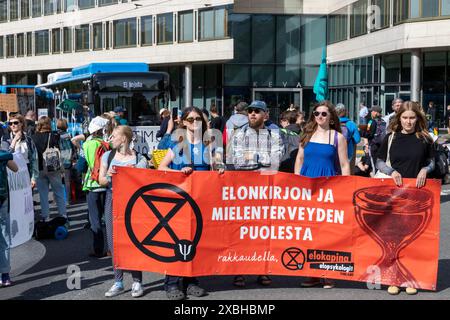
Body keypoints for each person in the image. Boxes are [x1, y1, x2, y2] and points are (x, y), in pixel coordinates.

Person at [158, 106, 224, 300]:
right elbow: (161, 167)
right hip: (179, 200)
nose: (194, 122)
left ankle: (191, 281)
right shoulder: (177, 142)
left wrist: (220, 168)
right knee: (176, 241)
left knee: (196, 240)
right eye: (190, 119)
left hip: (201, 199)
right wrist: (179, 172)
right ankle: (171, 283)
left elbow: (218, 162)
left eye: (198, 119)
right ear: (183, 122)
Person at [375, 101, 435, 296]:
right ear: (398, 118)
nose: (408, 122)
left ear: (417, 119)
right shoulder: (390, 137)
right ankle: (394, 278)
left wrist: (425, 170)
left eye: (412, 118)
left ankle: (411, 278)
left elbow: (431, 162)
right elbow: (379, 161)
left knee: (413, 240)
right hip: (393, 193)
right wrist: (391, 171)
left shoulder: (425, 138)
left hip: (417, 195)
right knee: (393, 237)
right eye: (405, 118)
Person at [294, 100, 350, 289]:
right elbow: (299, 160)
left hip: (328, 190)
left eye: (324, 114)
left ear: (331, 117)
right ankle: (313, 274)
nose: (319, 117)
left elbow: (344, 165)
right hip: (306, 189)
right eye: (317, 113)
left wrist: (346, 187)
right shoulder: (307, 135)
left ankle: (328, 272)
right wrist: (295, 183)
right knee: (309, 232)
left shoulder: (337, 137)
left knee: (327, 232)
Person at [229, 100, 284, 287]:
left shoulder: (274, 134)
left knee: (264, 232)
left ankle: (262, 270)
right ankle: (240, 271)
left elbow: (276, 161)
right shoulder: (239, 134)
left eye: (257, 111)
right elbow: (237, 162)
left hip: (267, 189)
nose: (252, 114)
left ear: (265, 114)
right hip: (244, 190)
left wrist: (251, 157)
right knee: (242, 231)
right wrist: (261, 160)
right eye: (250, 111)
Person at [99, 125, 149, 298]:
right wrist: (111, 175)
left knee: (135, 241)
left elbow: (145, 180)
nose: (110, 139)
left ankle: (137, 282)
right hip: (112, 199)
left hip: (133, 203)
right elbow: (101, 180)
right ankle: (118, 281)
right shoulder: (108, 155)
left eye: (113, 136)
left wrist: (132, 173)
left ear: (124, 138)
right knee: (114, 242)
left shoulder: (140, 158)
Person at [83, 116, 110, 258]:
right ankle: (112, 248)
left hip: (93, 184)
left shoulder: (87, 144)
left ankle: (98, 249)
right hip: (107, 184)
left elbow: (82, 164)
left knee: (95, 220)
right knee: (110, 218)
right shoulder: (107, 144)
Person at [32, 116, 67, 222]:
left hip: (39, 168)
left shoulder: (33, 137)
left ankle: (46, 217)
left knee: (43, 194)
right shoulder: (55, 136)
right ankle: (63, 215)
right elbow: (61, 150)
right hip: (53, 167)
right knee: (58, 191)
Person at [1, 114, 39, 188]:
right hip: (11, 172)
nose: (13, 125)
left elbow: (34, 159)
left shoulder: (28, 139)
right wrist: (14, 141)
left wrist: (34, 178)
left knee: (26, 197)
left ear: (21, 124)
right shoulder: (5, 139)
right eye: (10, 123)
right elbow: (6, 156)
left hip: (26, 170)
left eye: (15, 122)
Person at [0, 150, 18, 287]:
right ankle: (5, 276)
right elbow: (15, 168)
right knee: (4, 237)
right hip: (2, 197)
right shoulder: (3, 155)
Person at [335, 103, 361, 174]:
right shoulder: (351, 124)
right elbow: (357, 140)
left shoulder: (332, 123)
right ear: (345, 112)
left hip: (333, 152)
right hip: (348, 153)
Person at [57, 118, 76, 205]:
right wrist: (73, 158)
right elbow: (71, 148)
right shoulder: (67, 136)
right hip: (67, 160)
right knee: (67, 181)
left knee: (58, 181)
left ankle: (57, 199)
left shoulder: (55, 135)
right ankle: (68, 200)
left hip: (57, 160)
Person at [363, 105, 386, 175]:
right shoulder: (383, 122)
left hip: (372, 145)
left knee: (373, 164)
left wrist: (361, 133)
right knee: (379, 163)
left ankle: (375, 178)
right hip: (382, 146)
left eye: (372, 111)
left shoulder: (371, 121)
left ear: (375, 112)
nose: (371, 113)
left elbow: (368, 134)